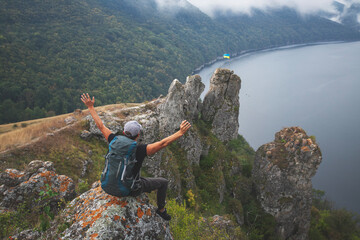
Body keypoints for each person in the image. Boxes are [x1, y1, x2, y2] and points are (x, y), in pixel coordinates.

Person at [81, 93, 191, 221]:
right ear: (137, 135)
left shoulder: (113, 140)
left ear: (123, 132)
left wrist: (90, 107)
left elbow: (100, 125)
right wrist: (180, 132)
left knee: (141, 178)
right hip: (128, 190)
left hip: (107, 186)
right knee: (163, 182)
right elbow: (163, 143)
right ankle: (161, 210)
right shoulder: (140, 150)